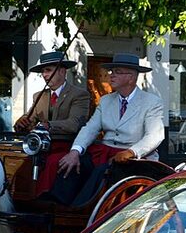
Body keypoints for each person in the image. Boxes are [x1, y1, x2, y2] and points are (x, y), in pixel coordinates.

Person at [52, 53, 165, 207]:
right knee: (72, 163)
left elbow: (155, 135)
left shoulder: (151, 102)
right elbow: (90, 128)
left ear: (131, 77)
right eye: (111, 71)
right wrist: (75, 151)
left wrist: (132, 152)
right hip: (104, 152)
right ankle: (59, 208)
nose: (111, 75)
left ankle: (81, 210)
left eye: (117, 72)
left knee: (103, 171)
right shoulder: (106, 101)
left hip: (134, 158)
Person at [14, 51, 90, 194]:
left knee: (51, 163)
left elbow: (74, 124)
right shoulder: (39, 96)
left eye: (48, 70)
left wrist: (48, 125)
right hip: (39, 148)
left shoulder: (79, 94)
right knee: (18, 163)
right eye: (43, 71)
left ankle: (43, 198)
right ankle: (19, 196)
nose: (44, 75)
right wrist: (21, 123)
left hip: (66, 147)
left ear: (62, 71)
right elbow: (29, 118)